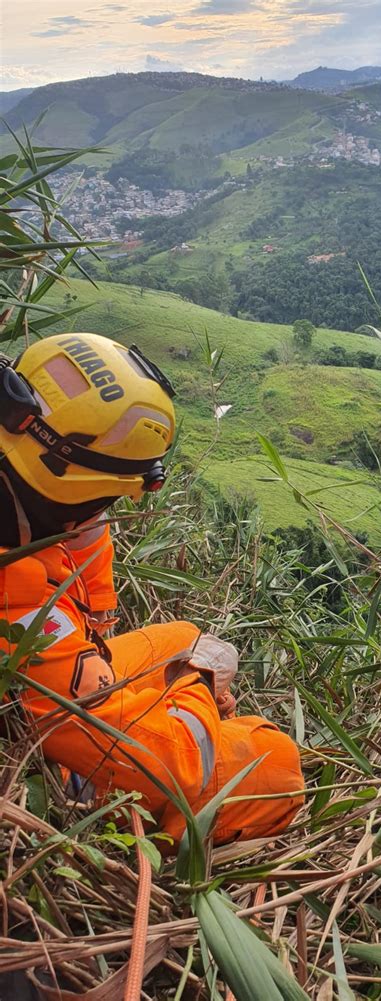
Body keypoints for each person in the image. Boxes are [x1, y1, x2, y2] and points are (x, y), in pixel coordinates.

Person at [0, 333, 304, 845]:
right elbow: (171, 767)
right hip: (48, 724)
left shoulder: (21, 496)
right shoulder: (19, 603)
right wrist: (200, 681)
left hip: (50, 680)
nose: (106, 513)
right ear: (73, 489)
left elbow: (87, 551)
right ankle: (140, 828)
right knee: (275, 765)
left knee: (182, 635)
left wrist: (117, 645)